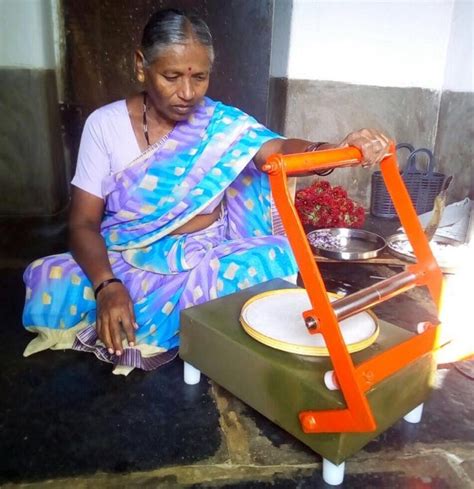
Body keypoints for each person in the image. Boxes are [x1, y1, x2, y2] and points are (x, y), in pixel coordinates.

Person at [22, 9, 390, 375]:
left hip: (207, 256)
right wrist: (107, 286)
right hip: (129, 257)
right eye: (171, 76)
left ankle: (190, 318)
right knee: (48, 278)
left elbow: (276, 150)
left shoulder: (220, 122)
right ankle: (199, 322)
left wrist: (337, 149)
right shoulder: (105, 125)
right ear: (140, 65)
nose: (187, 93)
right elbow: (83, 224)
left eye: (199, 78)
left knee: (276, 255)